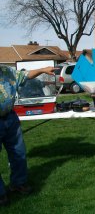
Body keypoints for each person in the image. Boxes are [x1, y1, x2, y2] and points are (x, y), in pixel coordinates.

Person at [0, 65, 57, 206]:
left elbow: (25, 75)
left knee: (18, 153)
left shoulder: (7, 71)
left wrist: (43, 70)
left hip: (10, 117)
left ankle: (18, 183)